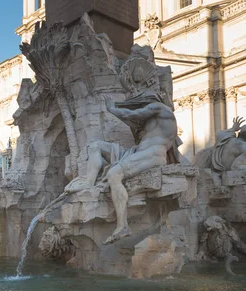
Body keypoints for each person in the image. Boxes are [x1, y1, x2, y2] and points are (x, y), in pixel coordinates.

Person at [66, 91, 180, 245]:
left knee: (114, 174)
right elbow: (132, 118)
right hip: (135, 152)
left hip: (153, 154)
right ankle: (88, 183)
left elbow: (133, 115)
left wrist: (112, 109)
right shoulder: (153, 121)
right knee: (96, 146)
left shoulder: (160, 108)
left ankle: (122, 226)